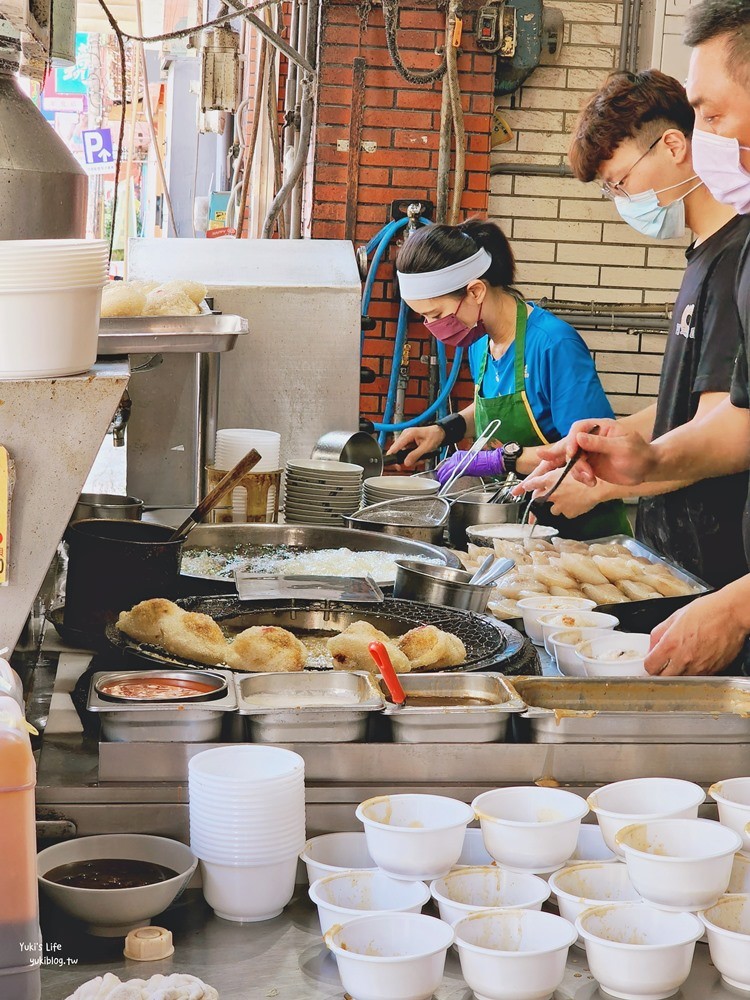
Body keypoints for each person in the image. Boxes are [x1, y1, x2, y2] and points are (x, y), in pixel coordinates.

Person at [518, 0, 750, 675]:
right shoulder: (709, 258)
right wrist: (629, 449)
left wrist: (624, 479)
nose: (626, 204)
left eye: (713, 115)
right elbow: (718, 410)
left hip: (715, 561)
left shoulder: (736, 254)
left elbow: (729, 424)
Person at [387, 219, 630, 539]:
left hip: (583, 534)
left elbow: (595, 452)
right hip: (522, 525)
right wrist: (443, 431)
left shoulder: (553, 345)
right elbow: (492, 412)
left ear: (475, 291)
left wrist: (497, 460)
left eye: (435, 315)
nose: (431, 326)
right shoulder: (481, 343)